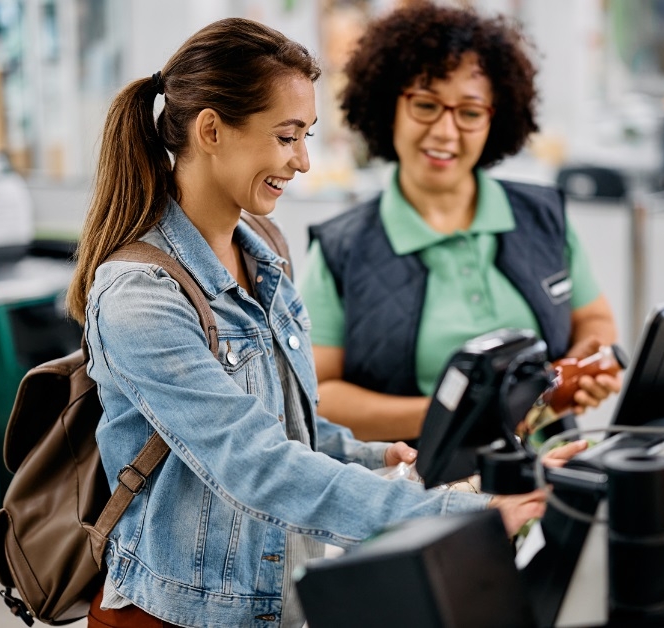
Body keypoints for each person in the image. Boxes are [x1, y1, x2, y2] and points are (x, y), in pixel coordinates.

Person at [68, 18, 572, 628]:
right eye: (286, 137)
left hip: (279, 602)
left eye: (305, 136)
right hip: (175, 615)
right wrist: (454, 510)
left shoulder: (266, 249)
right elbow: (253, 464)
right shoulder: (139, 297)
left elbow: (286, 428)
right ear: (211, 130)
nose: (303, 161)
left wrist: (367, 455)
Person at [301, 3, 622, 443]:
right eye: (426, 104)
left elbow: (595, 320)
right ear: (387, 105)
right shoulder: (341, 251)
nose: (446, 132)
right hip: (423, 495)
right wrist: (457, 414)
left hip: (553, 480)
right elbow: (319, 395)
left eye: (470, 112)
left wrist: (586, 365)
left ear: (496, 117)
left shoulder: (542, 217)